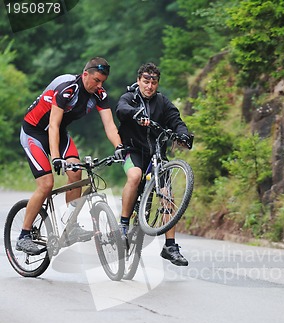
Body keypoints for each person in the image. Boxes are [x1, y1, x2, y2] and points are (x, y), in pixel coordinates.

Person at [17, 57, 124, 254]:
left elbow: (109, 125)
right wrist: (56, 157)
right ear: (85, 74)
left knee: (76, 171)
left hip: (59, 133)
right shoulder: (68, 88)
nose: (99, 85)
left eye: (103, 82)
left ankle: (70, 224)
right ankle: (24, 234)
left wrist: (119, 147)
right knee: (46, 184)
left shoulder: (99, 94)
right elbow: (53, 124)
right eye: (96, 80)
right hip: (35, 132)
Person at [115, 62, 192, 266]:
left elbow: (176, 120)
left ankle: (170, 245)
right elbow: (121, 110)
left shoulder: (162, 102)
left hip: (157, 155)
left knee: (167, 193)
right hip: (133, 152)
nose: (149, 86)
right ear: (139, 80)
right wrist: (135, 114)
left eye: (154, 82)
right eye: (146, 81)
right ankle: (123, 225)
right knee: (135, 176)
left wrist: (183, 135)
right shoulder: (130, 97)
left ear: (157, 84)